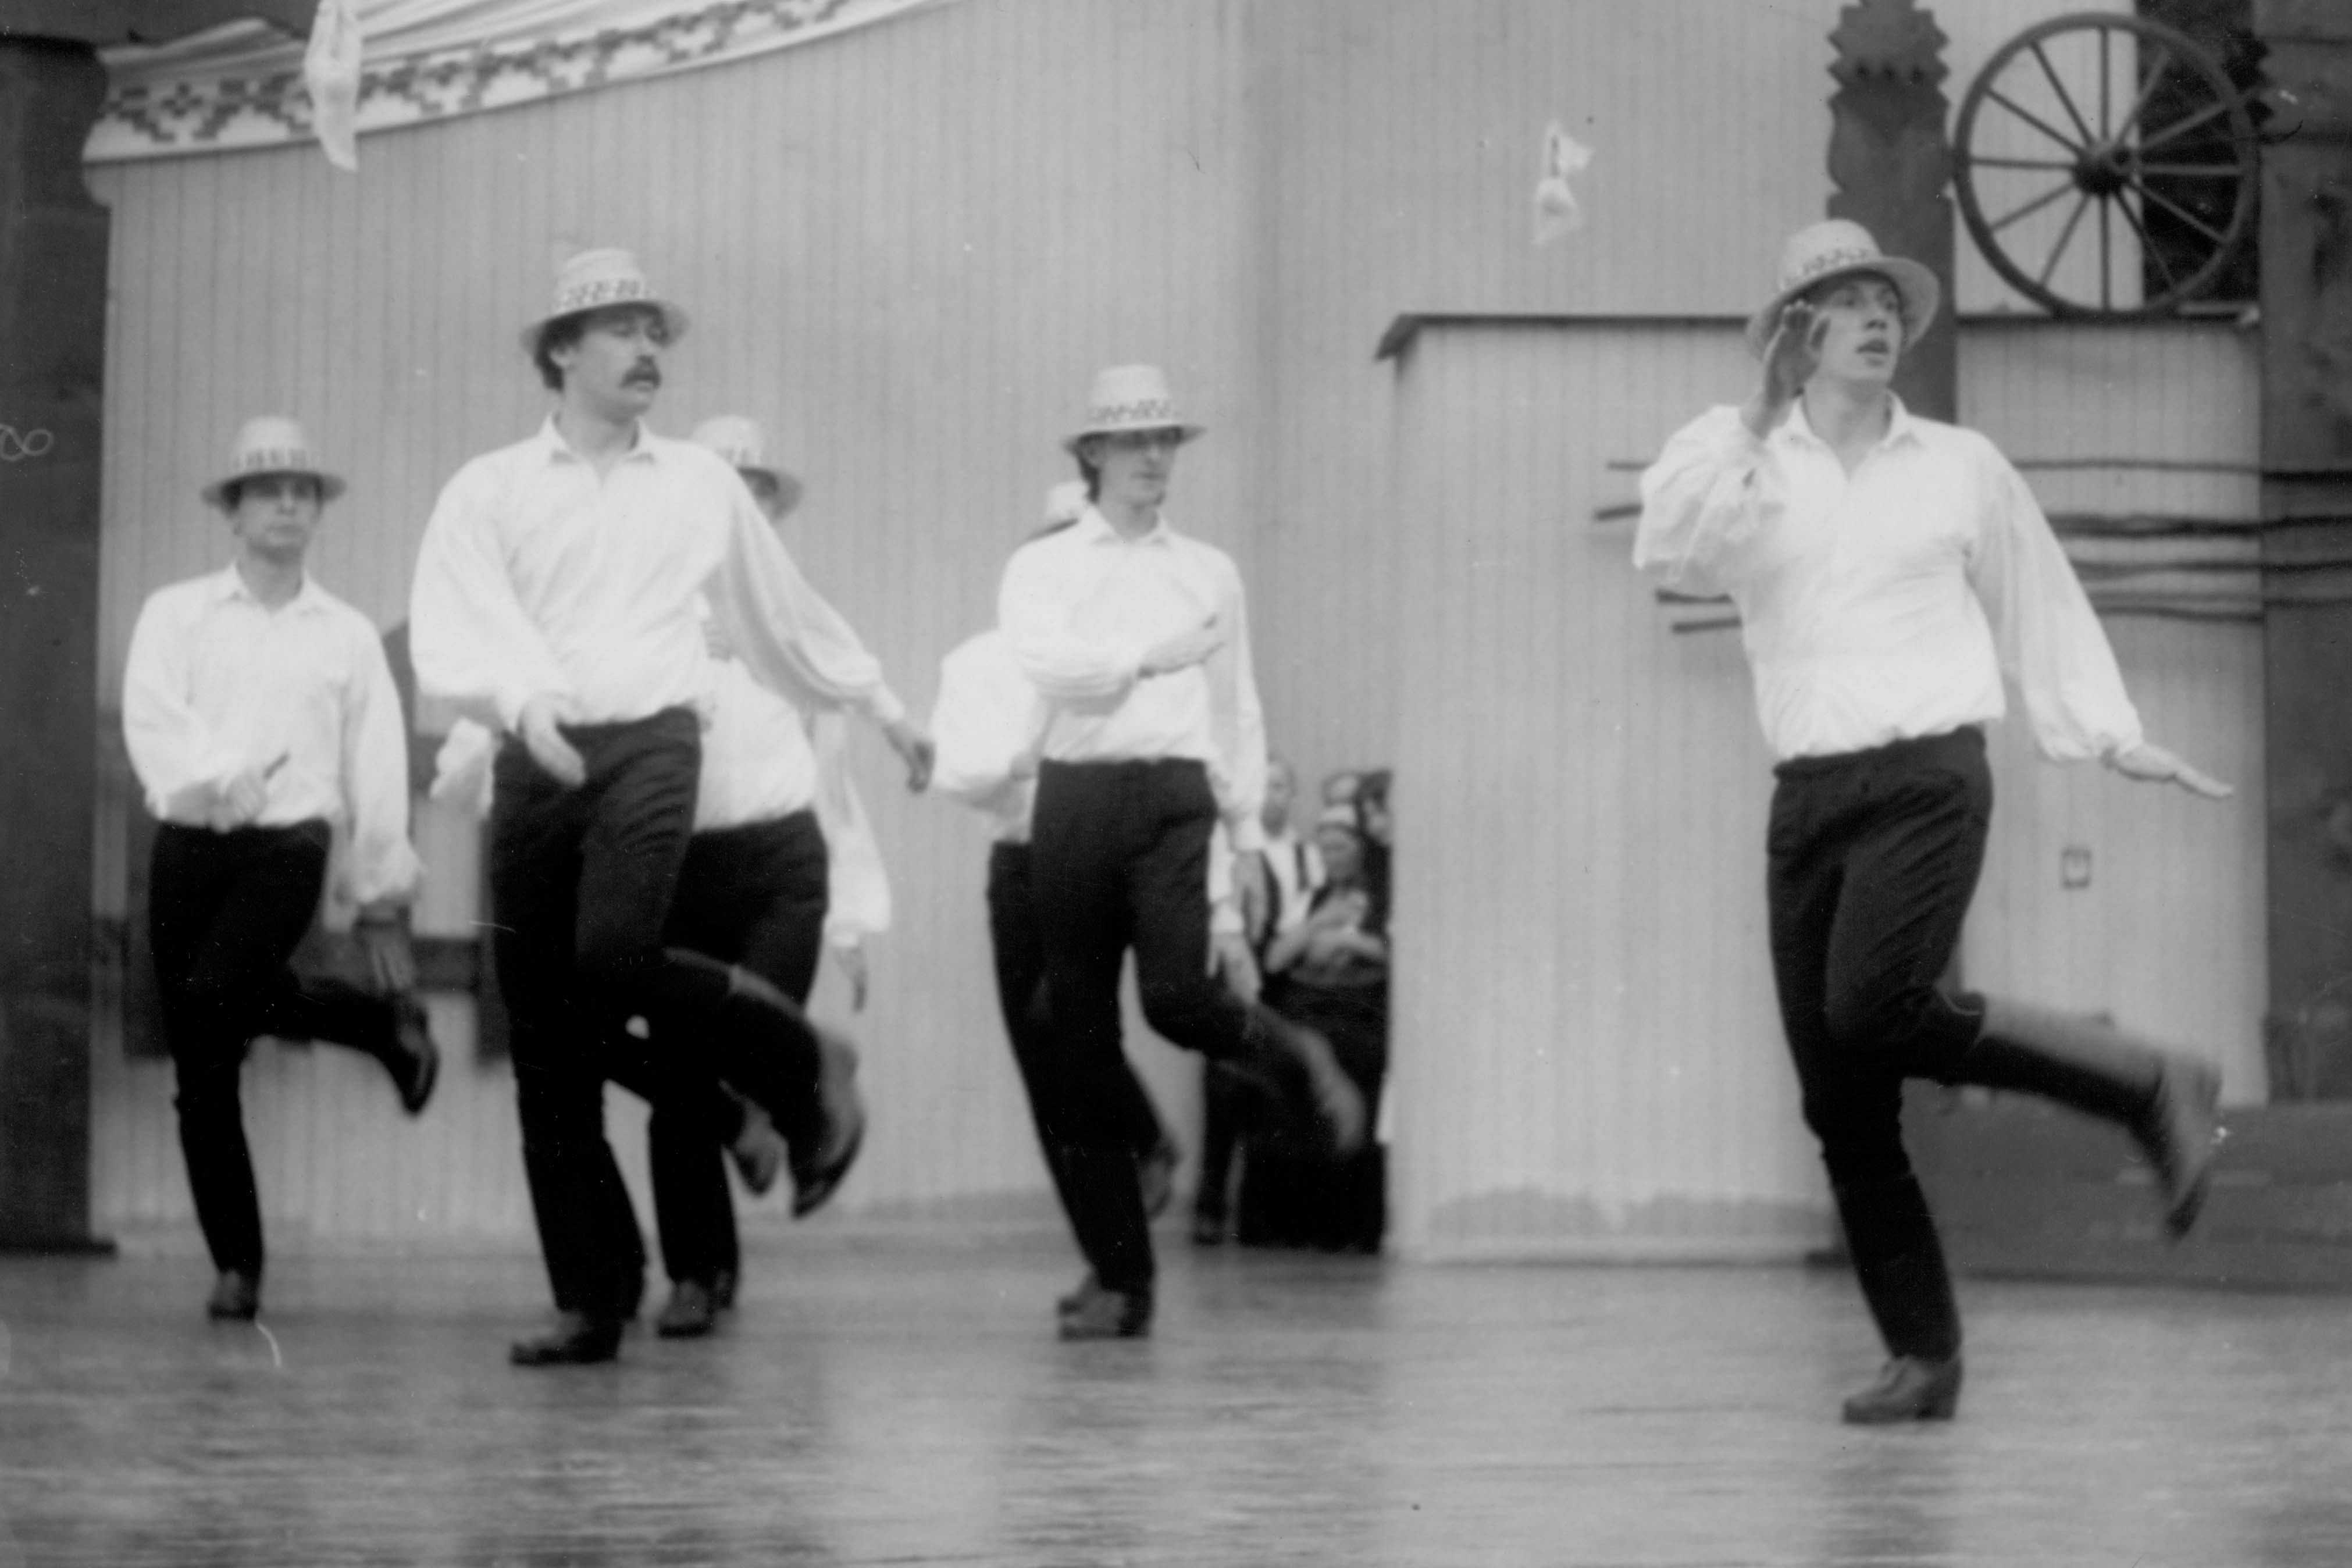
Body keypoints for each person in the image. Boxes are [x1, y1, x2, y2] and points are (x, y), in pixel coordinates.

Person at [1635, 219, 2230, 1424]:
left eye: (1886, 304)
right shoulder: (1731, 455)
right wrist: (1753, 418)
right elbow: (1674, 557)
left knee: (1873, 1008)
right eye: (1845, 303)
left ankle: (2143, 1080)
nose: (1875, 320)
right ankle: (1925, 1358)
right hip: (1808, 797)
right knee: (1838, 1100)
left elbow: (2038, 601)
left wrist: (2109, 733)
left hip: (1928, 777)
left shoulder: (1961, 464)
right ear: (1795, 333)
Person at [408, 249, 928, 1366]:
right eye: (621, 329)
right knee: (548, 1040)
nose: (647, 350)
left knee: (611, 959)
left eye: (656, 331)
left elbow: (785, 614)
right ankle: (592, 1298)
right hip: (535, 757)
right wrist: (521, 698)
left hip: (652, 745)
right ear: (561, 350)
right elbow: (452, 623)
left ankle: (797, 1063)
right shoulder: (489, 488)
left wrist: (882, 707)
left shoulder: (698, 482)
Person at [996, 364, 1366, 1339]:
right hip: (1074, 798)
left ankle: (1294, 1057)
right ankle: (1125, 1282)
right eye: (1135, 440)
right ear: (1094, 453)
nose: (1154, 456)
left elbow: (1235, 705)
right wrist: (1140, 660)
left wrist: (1243, 835)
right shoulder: (1045, 565)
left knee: (1172, 998)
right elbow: (1042, 663)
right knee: (1079, 1039)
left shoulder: (1208, 571)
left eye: (1165, 439)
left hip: (1173, 796)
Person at [123, 416, 440, 1321]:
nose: (288, 506)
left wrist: (378, 891)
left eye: (303, 493)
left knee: (216, 997)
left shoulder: (345, 636)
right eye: (268, 492)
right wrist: (218, 773)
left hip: (289, 844)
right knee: (202, 1059)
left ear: (317, 514)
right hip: (190, 842)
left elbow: (377, 768)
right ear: (233, 511)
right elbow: (153, 720)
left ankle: (377, 1025)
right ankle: (238, 1266)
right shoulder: (176, 613)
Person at [639, 414, 912, 1340]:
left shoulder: (796, 623)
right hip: (680, 865)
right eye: (720, 491)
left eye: (753, 494)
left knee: (755, 1034)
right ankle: (698, 1272)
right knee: (681, 1079)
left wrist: (851, 920)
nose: (736, 510)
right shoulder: (651, 611)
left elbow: (835, 781)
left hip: (782, 865)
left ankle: (804, 1108)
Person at [1239, 801, 1391, 1252]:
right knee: (1280, 1073)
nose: (1331, 858)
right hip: (1309, 1008)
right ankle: (1290, 1224)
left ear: (1360, 850)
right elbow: (1275, 959)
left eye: (1340, 848)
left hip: (1361, 1008)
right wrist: (1317, 927)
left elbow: (1391, 950)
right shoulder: (1311, 899)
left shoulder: (1383, 898)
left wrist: (1345, 942)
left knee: (1352, 1059)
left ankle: (1349, 1227)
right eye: (1324, 849)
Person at [1193, 753, 1323, 1243]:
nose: (1272, 796)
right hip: (1237, 982)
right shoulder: (1233, 854)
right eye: (1263, 786)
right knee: (1225, 1089)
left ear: (1293, 795)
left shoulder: (1310, 856)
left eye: (1280, 786)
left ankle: (1267, 1214)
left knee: (1281, 1091)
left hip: (1289, 986)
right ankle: (1210, 1204)